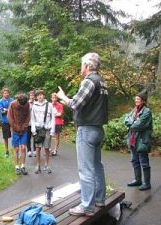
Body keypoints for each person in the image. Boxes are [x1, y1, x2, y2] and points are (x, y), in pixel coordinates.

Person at [57, 52, 108, 216]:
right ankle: (99, 199)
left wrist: (62, 97)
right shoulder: (102, 82)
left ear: (87, 66)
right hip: (98, 129)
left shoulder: (89, 81)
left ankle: (87, 206)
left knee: (86, 170)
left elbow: (75, 103)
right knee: (97, 166)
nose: (81, 68)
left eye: (82, 65)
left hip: (87, 130)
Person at [124, 89, 153, 191]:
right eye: (136, 99)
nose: (136, 100)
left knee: (144, 162)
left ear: (143, 100)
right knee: (134, 161)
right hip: (133, 140)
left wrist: (131, 123)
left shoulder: (147, 112)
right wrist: (132, 122)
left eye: (138, 99)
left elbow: (139, 125)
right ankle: (138, 180)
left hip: (141, 141)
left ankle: (147, 183)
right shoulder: (134, 110)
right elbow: (125, 119)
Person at [31, 90, 55, 174]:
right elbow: (32, 119)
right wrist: (33, 130)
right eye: (38, 95)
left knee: (47, 148)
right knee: (37, 148)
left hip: (47, 129)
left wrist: (52, 130)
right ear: (36, 97)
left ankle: (47, 165)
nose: (40, 96)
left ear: (44, 96)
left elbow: (53, 118)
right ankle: (38, 165)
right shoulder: (34, 106)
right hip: (38, 130)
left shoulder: (50, 105)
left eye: (41, 95)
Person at [8, 93, 30, 175]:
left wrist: (25, 125)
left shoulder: (27, 104)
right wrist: (14, 127)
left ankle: (23, 166)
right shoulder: (12, 104)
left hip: (24, 129)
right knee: (16, 149)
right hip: (15, 130)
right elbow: (9, 117)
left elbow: (28, 115)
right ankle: (17, 167)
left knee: (23, 148)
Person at [0, 88, 13, 158]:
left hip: (12, 121)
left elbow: (13, 110)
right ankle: (6, 151)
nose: (6, 94)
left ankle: (15, 149)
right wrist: (7, 110)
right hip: (5, 121)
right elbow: (1, 111)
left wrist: (6, 109)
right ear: (2, 94)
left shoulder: (12, 100)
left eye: (7, 93)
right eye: (5, 93)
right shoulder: (0, 101)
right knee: (5, 137)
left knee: (15, 135)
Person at [27, 91, 36, 157]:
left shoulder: (37, 103)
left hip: (35, 123)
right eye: (31, 95)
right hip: (28, 123)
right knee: (28, 137)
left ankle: (35, 150)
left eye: (33, 95)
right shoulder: (27, 103)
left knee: (35, 137)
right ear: (29, 96)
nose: (32, 96)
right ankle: (29, 150)